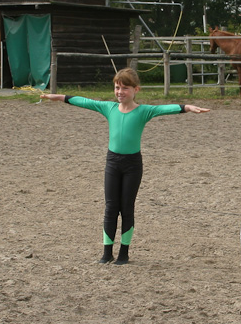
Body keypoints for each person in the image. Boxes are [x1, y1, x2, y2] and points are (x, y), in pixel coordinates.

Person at [40, 68, 210, 265]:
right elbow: (84, 101)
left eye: (125, 88)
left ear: (136, 89)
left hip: (132, 165)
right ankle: (107, 253)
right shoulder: (109, 108)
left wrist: (187, 107)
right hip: (113, 163)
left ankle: (124, 253)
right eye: (117, 87)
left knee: (127, 208)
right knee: (111, 207)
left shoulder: (144, 111)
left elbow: (166, 108)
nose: (120, 92)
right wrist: (58, 97)